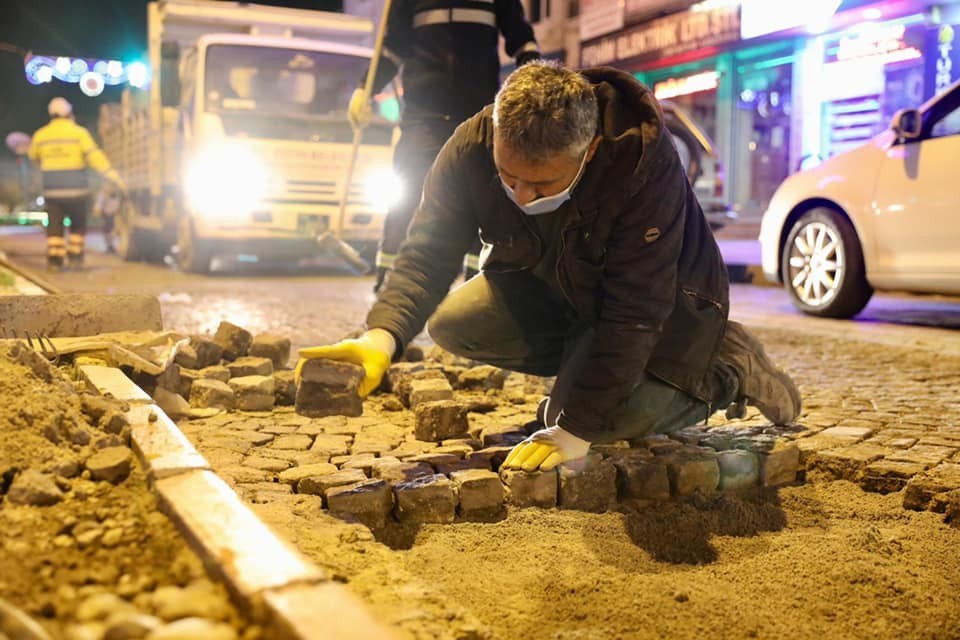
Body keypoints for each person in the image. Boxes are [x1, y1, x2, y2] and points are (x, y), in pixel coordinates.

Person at [300, 61, 801, 472]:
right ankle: (582, 372)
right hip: (563, 292)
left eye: (541, 185)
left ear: (590, 150)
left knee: (590, 421)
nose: (521, 196)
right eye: (508, 177)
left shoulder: (641, 164)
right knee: (453, 323)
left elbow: (635, 313)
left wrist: (576, 427)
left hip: (668, 310)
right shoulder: (471, 146)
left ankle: (731, 368)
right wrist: (381, 336)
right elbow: (427, 253)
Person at [347, 0, 540, 291]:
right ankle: (391, 282)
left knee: (481, 201)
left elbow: (521, 40)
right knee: (408, 195)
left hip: (476, 112)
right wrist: (366, 88)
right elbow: (393, 49)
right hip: (424, 114)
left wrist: (535, 81)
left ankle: (477, 289)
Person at [28, 97, 124, 271]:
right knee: (78, 225)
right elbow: (94, 156)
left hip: (52, 190)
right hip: (77, 190)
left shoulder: (41, 135)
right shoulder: (79, 133)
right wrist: (111, 174)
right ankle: (75, 258)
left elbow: (33, 156)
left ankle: (54, 261)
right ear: (69, 113)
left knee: (54, 226)